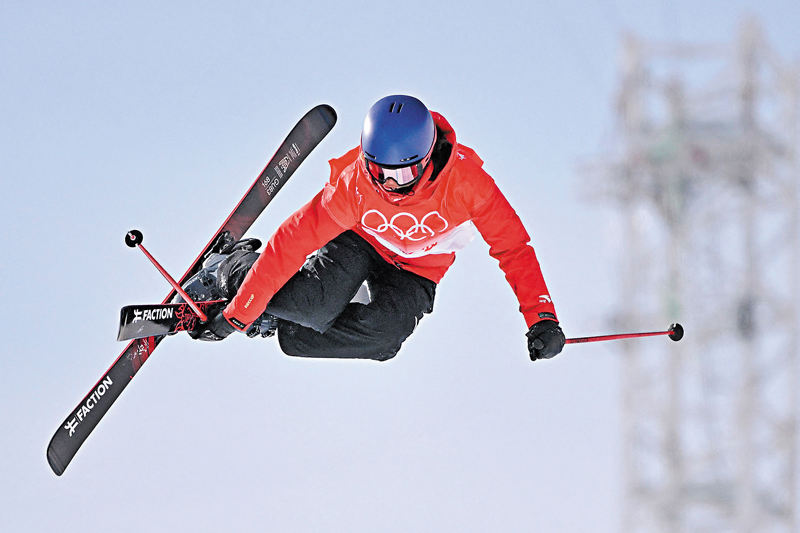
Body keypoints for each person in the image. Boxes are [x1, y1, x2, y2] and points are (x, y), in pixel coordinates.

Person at [192, 95, 565, 362]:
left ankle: (280, 320)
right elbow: (292, 241)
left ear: (427, 158)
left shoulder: (468, 184)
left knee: (385, 338)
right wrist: (238, 314)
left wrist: (542, 318)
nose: (388, 184)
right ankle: (229, 267)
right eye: (378, 170)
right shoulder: (355, 185)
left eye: (401, 174)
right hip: (360, 242)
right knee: (314, 305)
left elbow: (513, 248)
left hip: (416, 269)